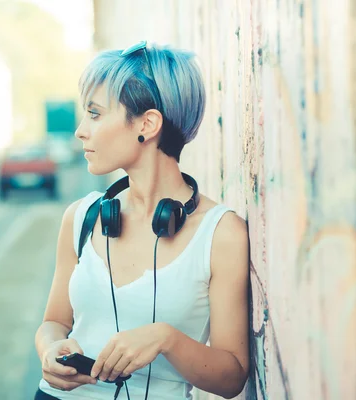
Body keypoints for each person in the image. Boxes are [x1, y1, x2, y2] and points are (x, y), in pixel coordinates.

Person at [34, 41, 250, 400]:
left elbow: (232, 378)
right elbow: (54, 323)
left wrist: (166, 339)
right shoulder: (81, 218)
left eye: (95, 113)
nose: (81, 130)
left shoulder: (221, 233)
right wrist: (49, 350)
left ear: (147, 124)